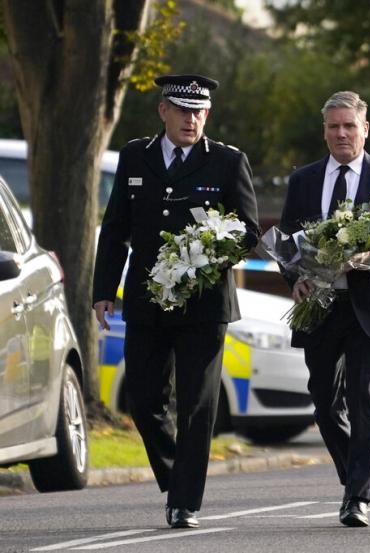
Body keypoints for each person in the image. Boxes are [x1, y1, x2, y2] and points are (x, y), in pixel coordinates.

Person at [92, 74, 260, 529]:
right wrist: (103, 291)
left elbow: (248, 231)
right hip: (148, 299)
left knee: (197, 402)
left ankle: (185, 500)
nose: (192, 119)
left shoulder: (227, 161)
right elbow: (115, 229)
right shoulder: (134, 156)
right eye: (184, 110)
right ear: (163, 110)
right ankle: (174, 477)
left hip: (204, 306)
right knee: (144, 400)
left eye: (200, 112)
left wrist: (209, 252)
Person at [278, 90, 370, 528]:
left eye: (349, 126)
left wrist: (366, 258)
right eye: (333, 126)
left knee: (364, 397)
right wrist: (295, 278)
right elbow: (287, 245)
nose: (341, 134)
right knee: (323, 401)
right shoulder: (303, 180)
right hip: (319, 306)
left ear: (364, 129)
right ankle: (351, 471)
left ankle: (358, 496)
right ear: (324, 131)